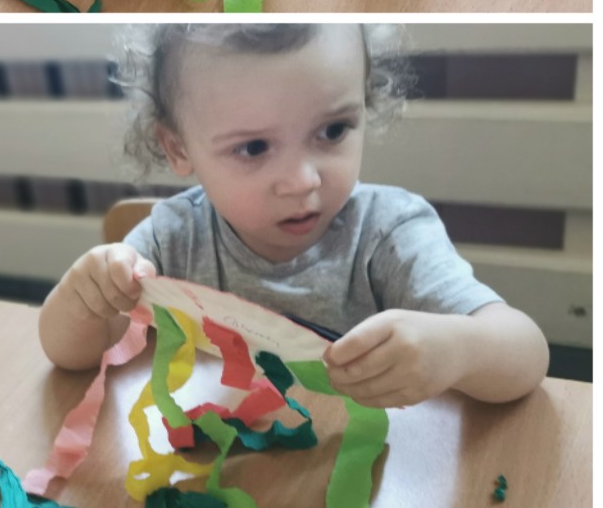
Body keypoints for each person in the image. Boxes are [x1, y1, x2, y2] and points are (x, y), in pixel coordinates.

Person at [39, 24, 549, 410]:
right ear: (177, 148)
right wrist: (84, 297)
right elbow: (70, 355)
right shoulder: (173, 238)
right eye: (254, 147)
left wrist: (459, 350)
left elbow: (527, 353)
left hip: (357, 479)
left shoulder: (388, 233)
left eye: (333, 131)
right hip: (218, 475)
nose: (303, 181)